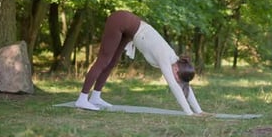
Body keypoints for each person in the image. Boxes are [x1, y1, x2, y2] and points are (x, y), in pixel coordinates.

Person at [75, 10, 203, 115]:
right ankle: (82, 98)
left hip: (129, 31)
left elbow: (184, 85)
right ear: (177, 69)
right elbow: (174, 86)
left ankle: (95, 97)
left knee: (112, 62)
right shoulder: (165, 57)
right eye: (177, 76)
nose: (177, 79)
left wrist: (199, 111)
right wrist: (189, 113)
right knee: (103, 60)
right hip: (120, 20)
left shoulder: (176, 62)